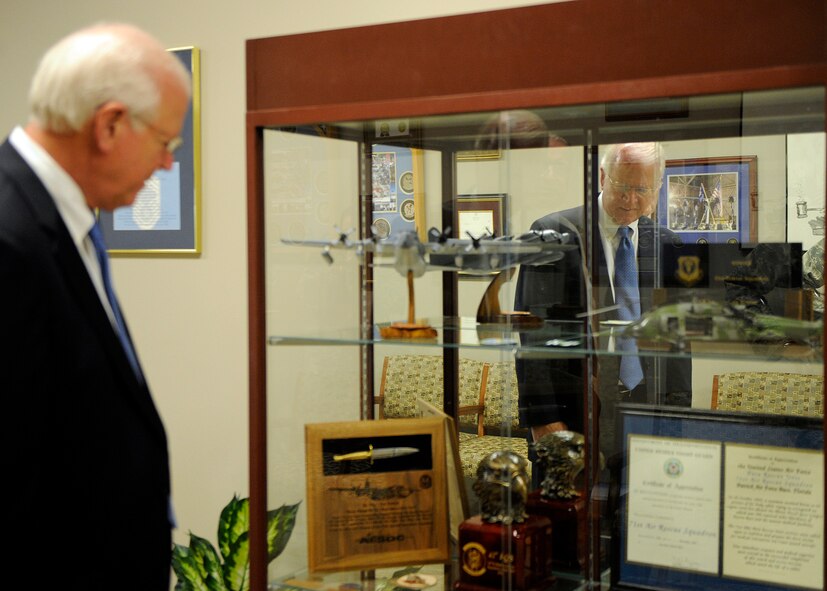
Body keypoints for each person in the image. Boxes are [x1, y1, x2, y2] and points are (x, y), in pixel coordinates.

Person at [0, 23, 191, 590]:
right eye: (165, 144)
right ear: (109, 125)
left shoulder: (62, 223)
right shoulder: (10, 239)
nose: (166, 166)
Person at [514, 142, 691, 466]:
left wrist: (677, 417)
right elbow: (532, 335)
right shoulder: (552, 233)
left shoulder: (669, 243)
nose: (631, 199)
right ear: (602, 177)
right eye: (623, 187)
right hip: (575, 410)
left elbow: (677, 341)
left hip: (646, 409)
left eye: (642, 189)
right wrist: (543, 420)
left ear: (658, 187)